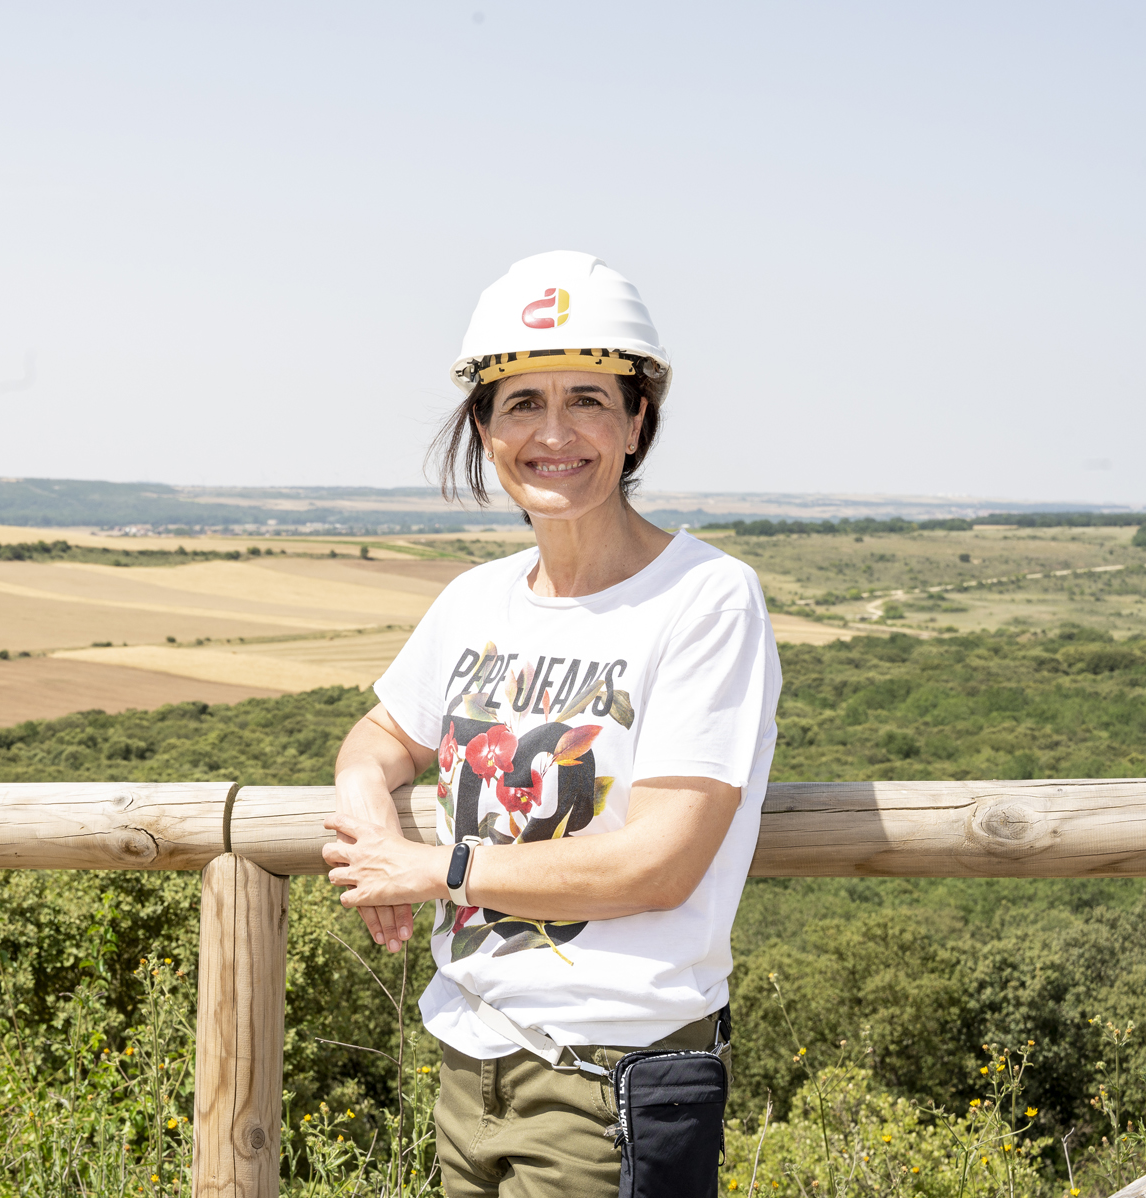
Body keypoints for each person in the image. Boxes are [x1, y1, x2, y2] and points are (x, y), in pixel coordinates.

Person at [322, 251, 781, 1198]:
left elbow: (660, 863)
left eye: (588, 399)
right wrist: (370, 819)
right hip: (467, 1059)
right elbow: (379, 737)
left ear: (636, 420)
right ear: (484, 427)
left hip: (612, 1075)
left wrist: (436, 868)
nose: (554, 432)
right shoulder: (475, 601)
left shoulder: (704, 598)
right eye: (521, 402)